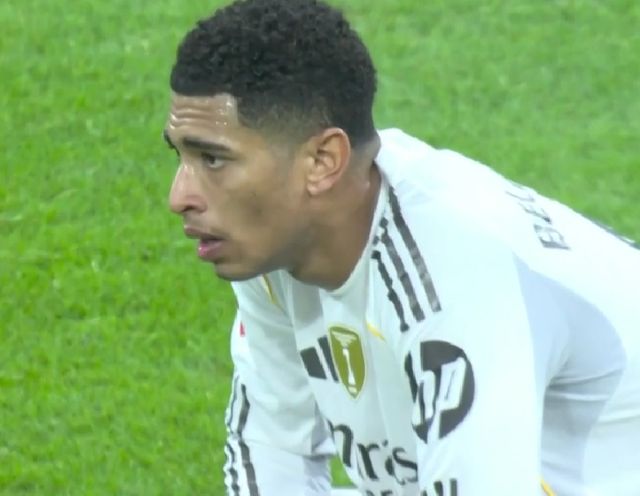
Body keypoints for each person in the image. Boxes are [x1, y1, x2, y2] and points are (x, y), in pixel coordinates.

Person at [164, 0, 640, 494]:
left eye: (213, 160)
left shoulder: (455, 275)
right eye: (180, 155)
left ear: (323, 161)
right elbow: (273, 450)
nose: (179, 197)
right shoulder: (279, 245)